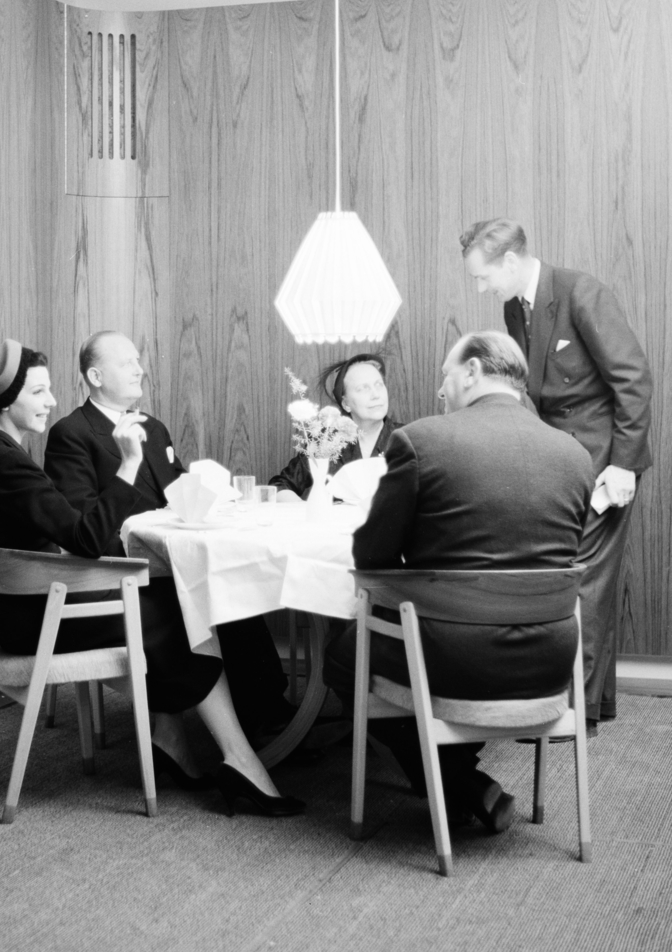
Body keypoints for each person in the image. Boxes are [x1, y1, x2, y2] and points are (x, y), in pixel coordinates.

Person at [0, 338, 303, 817]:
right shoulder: (7, 464)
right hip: (39, 621)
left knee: (174, 605)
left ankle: (177, 740)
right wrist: (130, 463)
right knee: (187, 612)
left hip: (19, 613)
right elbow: (86, 536)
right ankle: (238, 760)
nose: (51, 401)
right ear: (7, 401)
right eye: (38, 392)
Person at [324, 331, 594, 832]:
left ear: (472, 371)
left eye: (446, 375)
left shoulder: (422, 441)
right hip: (551, 658)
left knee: (342, 655)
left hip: (455, 660)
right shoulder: (575, 454)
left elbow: (372, 558)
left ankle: (455, 783)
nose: (441, 390)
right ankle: (457, 777)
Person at [44, 331, 293, 742]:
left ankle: (267, 712)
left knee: (231, 586)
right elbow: (85, 528)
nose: (139, 369)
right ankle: (264, 722)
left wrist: (217, 496)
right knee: (217, 593)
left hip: (172, 561)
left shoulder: (153, 429)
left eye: (137, 360)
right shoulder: (71, 434)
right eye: (126, 363)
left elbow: (181, 493)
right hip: (121, 572)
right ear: (95, 376)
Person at [460, 218, 653, 729]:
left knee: (584, 582)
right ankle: (592, 703)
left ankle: (572, 713)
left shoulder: (581, 292)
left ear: (509, 261)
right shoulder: (513, 306)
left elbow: (633, 380)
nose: (481, 288)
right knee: (580, 579)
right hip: (558, 461)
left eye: (483, 277)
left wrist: (624, 465)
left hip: (603, 463)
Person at [269, 354, 401, 500]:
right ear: (346, 404)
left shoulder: (410, 439)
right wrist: (307, 509)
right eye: (363, 388)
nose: (376, 395)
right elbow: (279, 486)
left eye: (379, 385)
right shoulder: (326, 441)